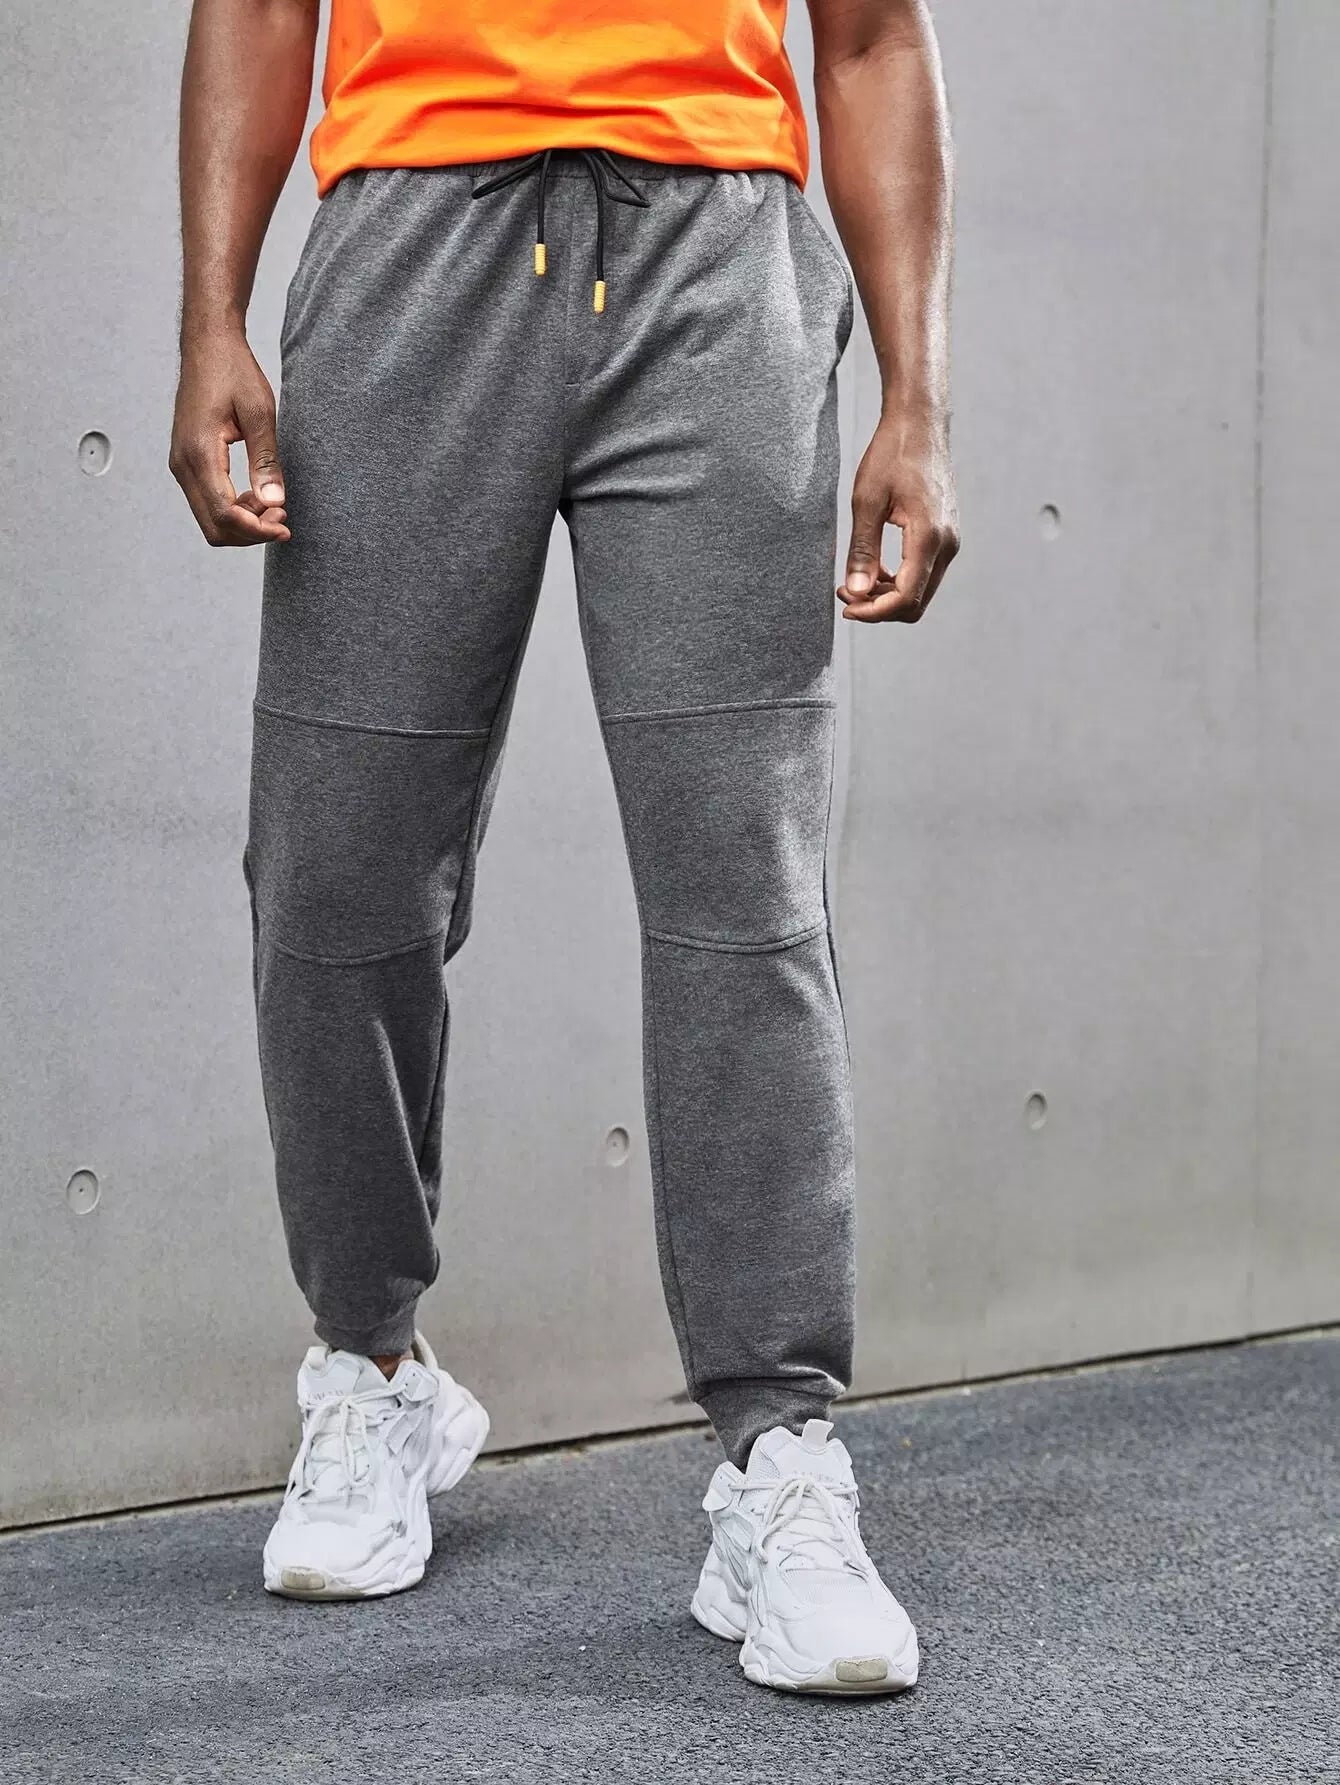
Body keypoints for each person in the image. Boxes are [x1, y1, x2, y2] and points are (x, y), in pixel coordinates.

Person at [170, 0, 958, 1696]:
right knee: (335, 871)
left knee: (747, 897)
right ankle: (373, 1369)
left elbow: (873, 40)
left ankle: (779, 1459)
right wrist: (211, 314)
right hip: (409, 240)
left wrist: (919, 395)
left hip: (718, 255)